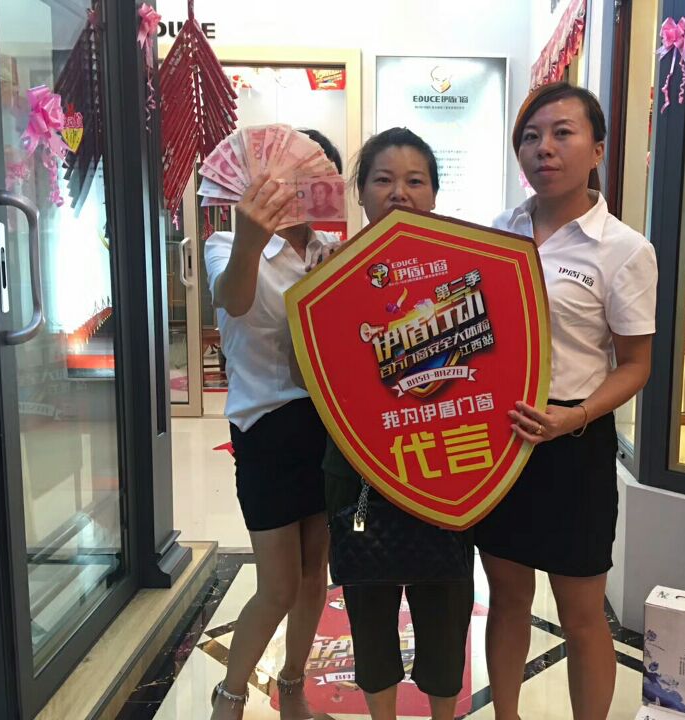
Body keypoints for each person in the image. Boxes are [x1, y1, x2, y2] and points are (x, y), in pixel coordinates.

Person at [476, 83, 658, 720]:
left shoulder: (624, 250)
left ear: (597, 150)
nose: (543, 148)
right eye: (530, 137)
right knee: (507, 599)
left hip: (575, 441)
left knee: (582, 614)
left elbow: (635, 365)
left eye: (561, 133)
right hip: (502, 439)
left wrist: (574, 416)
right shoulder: (496, 232)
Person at [321, 127, 474, 720]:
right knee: (369, 608)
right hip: (359, 468)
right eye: (383, 179)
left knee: (446, 607)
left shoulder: (462, 271)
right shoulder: (333, 275)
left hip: (445, 460)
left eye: (415, 180)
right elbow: (313, 373)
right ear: (361, 191)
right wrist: (324, 299)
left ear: (434, 193)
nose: (399, 192)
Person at [204, 129, 343, 720]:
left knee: (315, 576)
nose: (300, 190)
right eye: (290, 177)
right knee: (279, 584)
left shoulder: (332, 248)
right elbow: (232, 299)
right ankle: (231, 693)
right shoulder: (226, 244)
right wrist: (249, 240)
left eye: (316, 179)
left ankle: (292, 686)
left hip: (326, 425)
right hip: (264, 429)